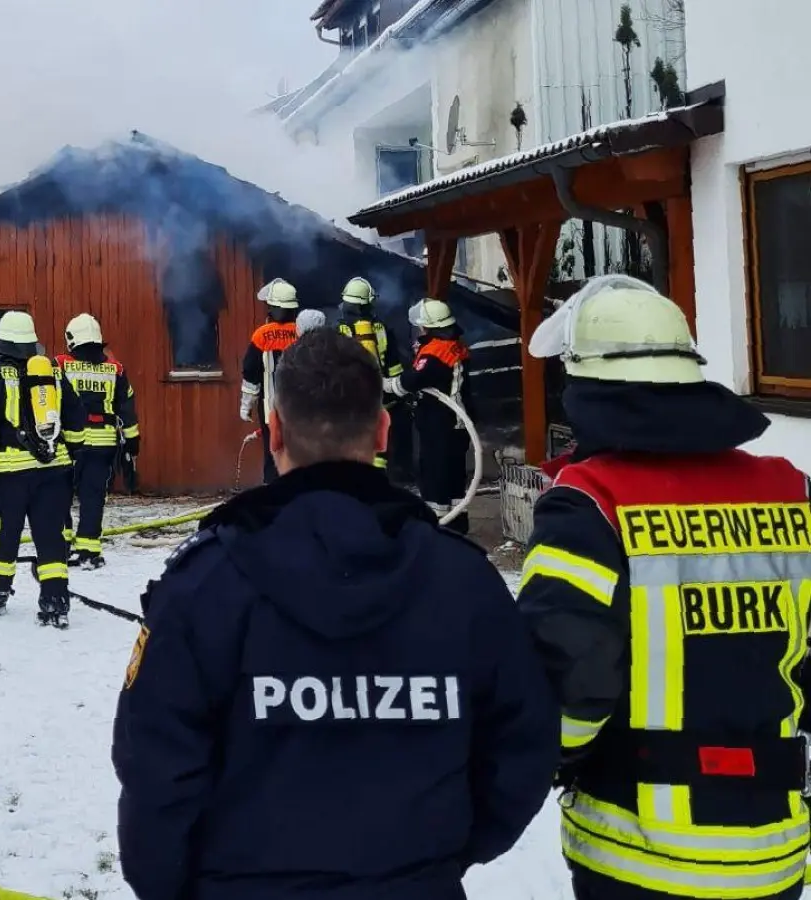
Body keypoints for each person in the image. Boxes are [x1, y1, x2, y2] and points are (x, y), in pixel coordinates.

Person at [113, 328, 556, 900]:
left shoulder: (204, 586)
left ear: (273, 431)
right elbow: (523, 745)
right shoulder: (464, 583)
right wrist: (438, 855)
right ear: (383, 431)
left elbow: (155, 769)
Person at [516, 275, 811, 900]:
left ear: (589, 391)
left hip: (639, 853)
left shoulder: (590, 506)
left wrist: (543, 760)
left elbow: (568, 682)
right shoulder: (792, 492)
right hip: (773, 847)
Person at [0, 311, 87, 627]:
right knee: (51, 536)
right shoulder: (55, 376)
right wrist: (68, 455)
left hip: (10, 476)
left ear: (2, 343)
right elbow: (76, 423)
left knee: (6, 534)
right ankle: (55, 601)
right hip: (54, 471)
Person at [56, 313, 139, 569]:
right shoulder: (116, 369)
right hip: (104, 444)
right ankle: (89, 549)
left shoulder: (59, 365)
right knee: (93, 497)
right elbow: (127, 411)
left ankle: (60, 547)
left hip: (70, 444)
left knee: (60, 495)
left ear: (72, 339)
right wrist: (132, 447)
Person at [385, 299, 471, 533]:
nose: (418, 331)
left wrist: (382, 384)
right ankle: (457, 522)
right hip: (458, 424)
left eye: (421, 327)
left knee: (434, 476)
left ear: (429, 327)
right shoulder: (454, 345)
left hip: (440, 424)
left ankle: (437, 525)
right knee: (454, 477)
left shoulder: (435, 353)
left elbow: (411, 381)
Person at [239, 278, 302, 485]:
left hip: (271, 408)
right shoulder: (302, 332)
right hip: (301, 408)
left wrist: (246, 405)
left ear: (274, 308)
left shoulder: (262, 335)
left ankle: (273, 492)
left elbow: (250, 372)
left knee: (273, 451)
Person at [339, 276, 403, 469]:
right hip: (380, 398)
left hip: (350, 400)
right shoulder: (381, 328)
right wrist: (397, 392)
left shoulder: (338, 329)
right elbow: (393, 364)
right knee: (379, 446)